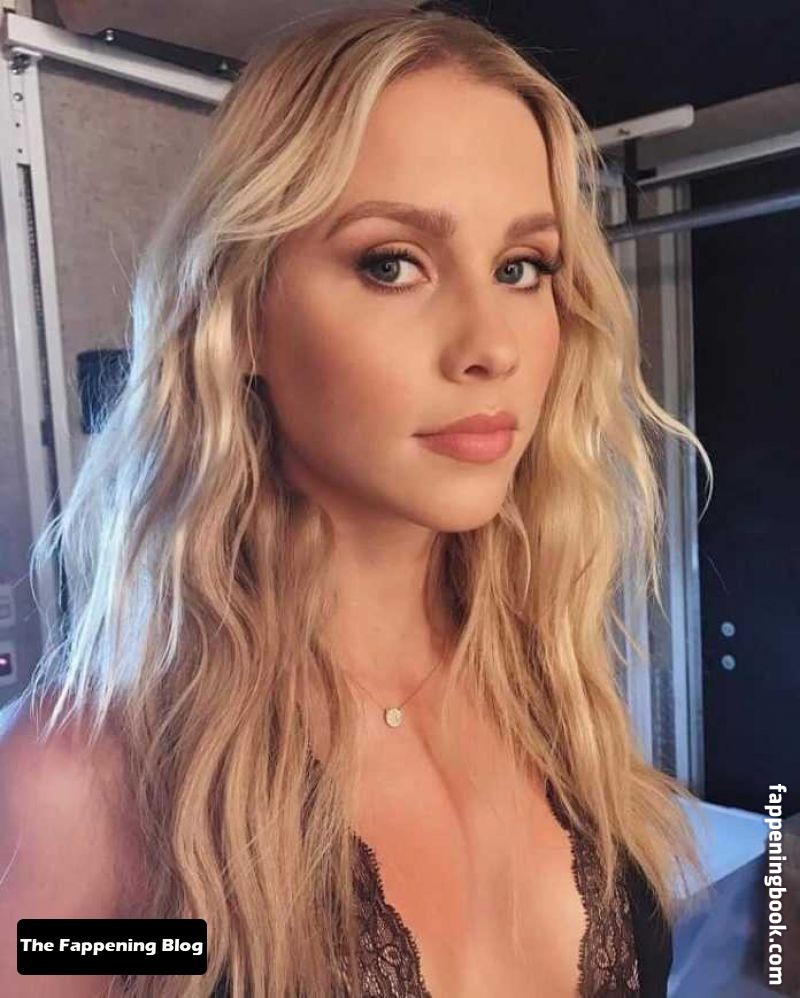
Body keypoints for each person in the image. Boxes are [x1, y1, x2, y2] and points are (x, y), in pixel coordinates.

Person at [0, 6, 713, 997]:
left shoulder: (552, 688)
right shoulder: (90, 781)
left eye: (521, 269)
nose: (490, 346)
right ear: (243, 315)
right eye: (392, 263)